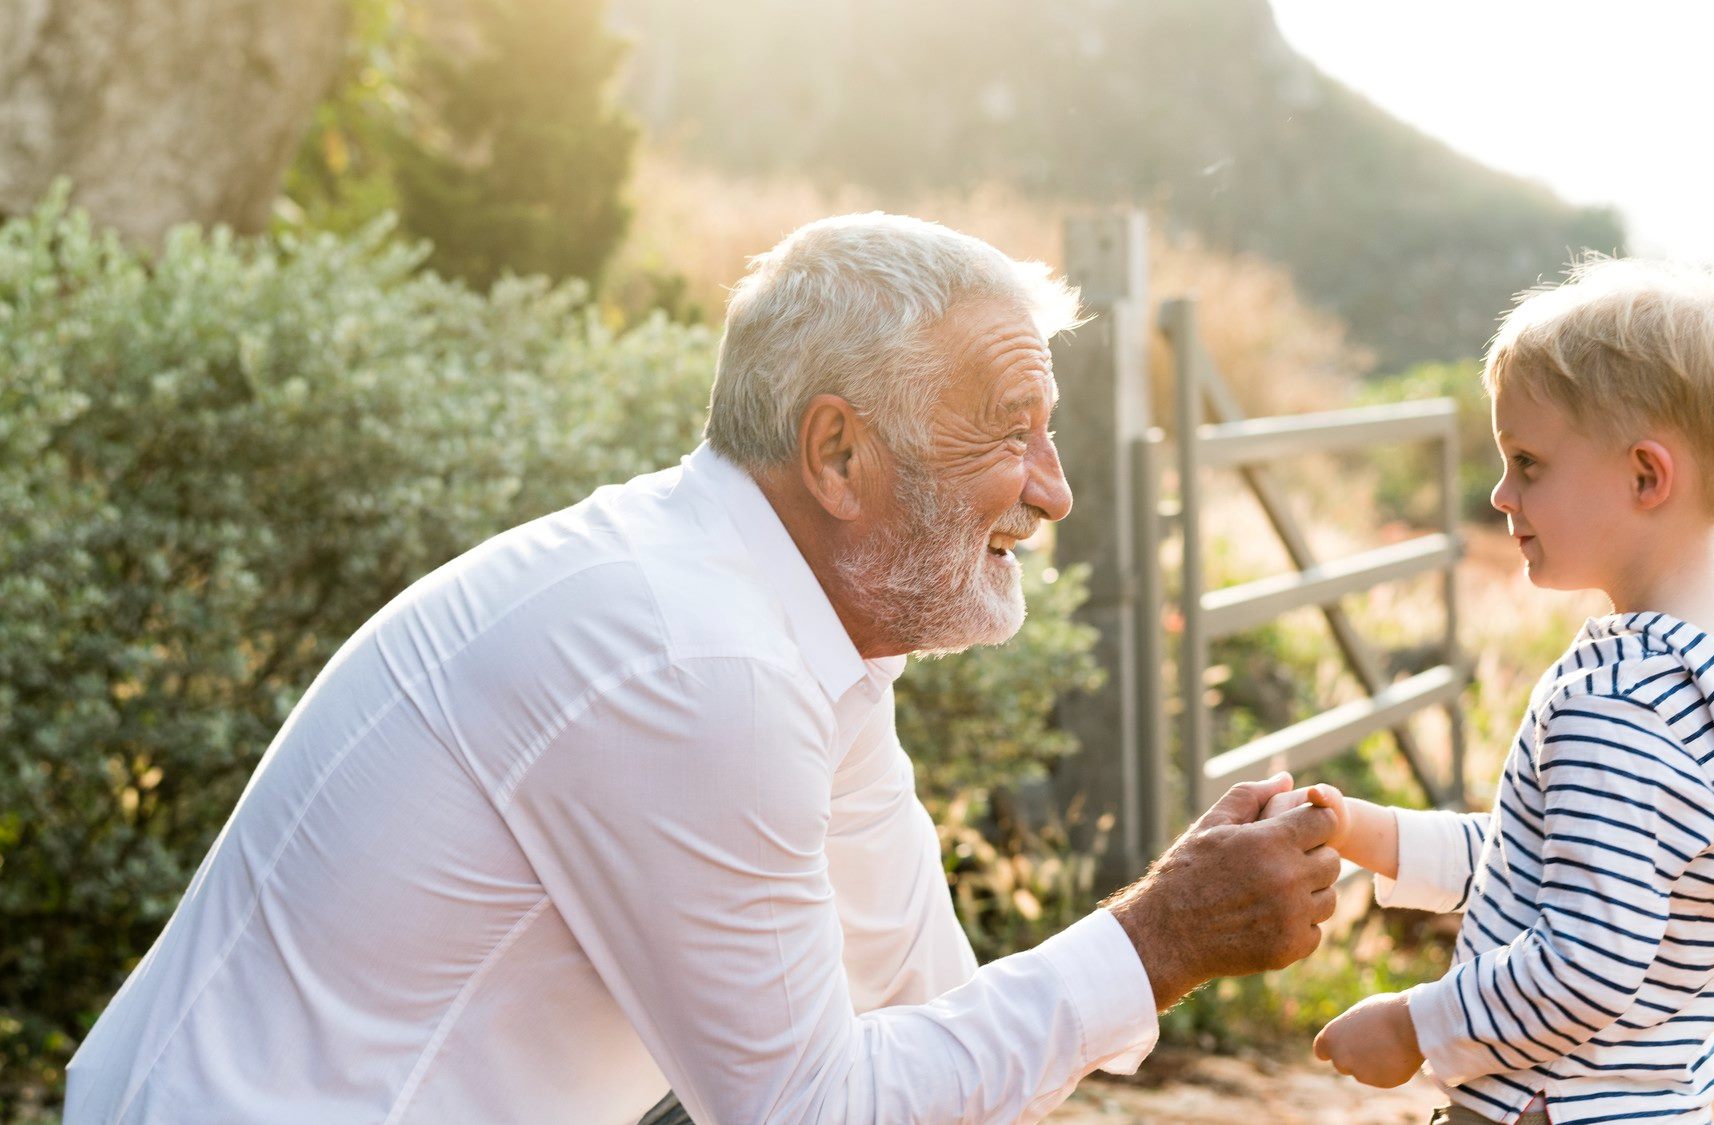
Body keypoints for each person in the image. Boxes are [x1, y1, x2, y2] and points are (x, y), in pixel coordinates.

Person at [63, 213, 1344, 1124]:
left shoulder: (783, 624)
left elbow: (923, 999)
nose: (1054, 494)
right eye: (1010, 436)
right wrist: (1158, 935)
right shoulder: (698, 661)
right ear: (838, 456)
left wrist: (1155, 937)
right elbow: (808, 1114)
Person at [1293, 258, 1714, 1123]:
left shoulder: (1615, 702)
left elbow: (1589, 955)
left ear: (1647, 476)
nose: (1501, 494)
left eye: (1528, 462)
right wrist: (1368, 833)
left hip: (1540, 1108)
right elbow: (1564, 860)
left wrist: (1414, 1024)